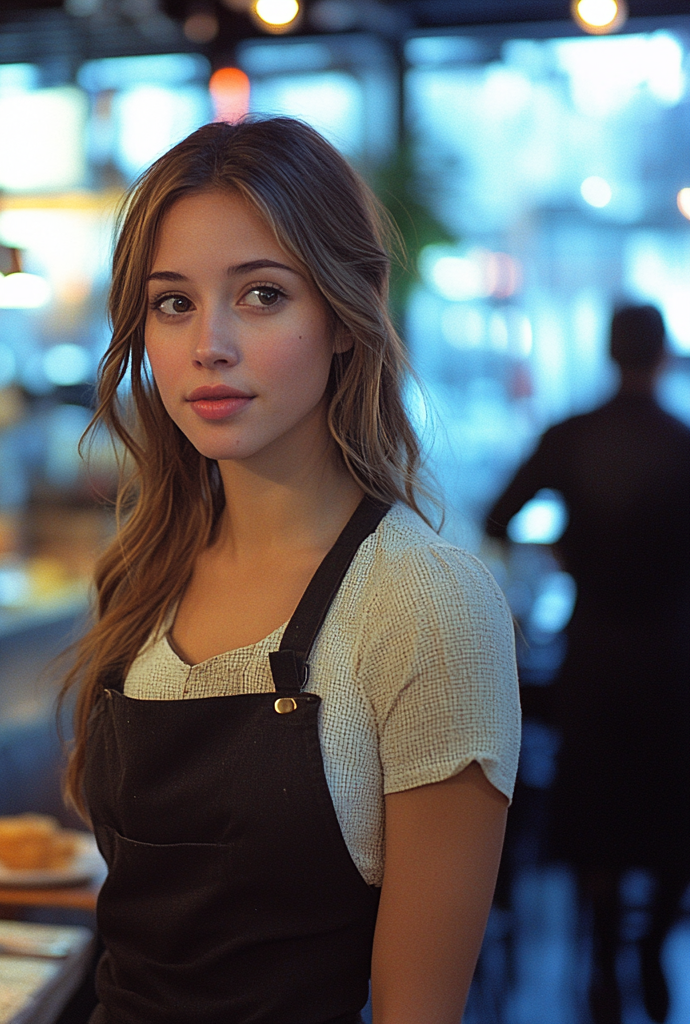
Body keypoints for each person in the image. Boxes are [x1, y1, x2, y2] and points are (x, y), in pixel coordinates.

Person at [62, 117, 521, 1024]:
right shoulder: (141, 575)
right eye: (174, 302)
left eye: (263, 295)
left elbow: (415, 1012)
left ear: (346, 316)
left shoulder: (425, 605)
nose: (210, 346)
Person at [486, 304, 690, 1024]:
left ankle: (602, 962)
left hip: (595, 651)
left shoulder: (571, 436)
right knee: (670, 809)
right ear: (662, 356)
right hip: (672, 654)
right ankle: (653, 954)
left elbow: (497, 515)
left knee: (599, 805)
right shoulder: (682, 442)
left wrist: (568, 549)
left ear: (608, 353)